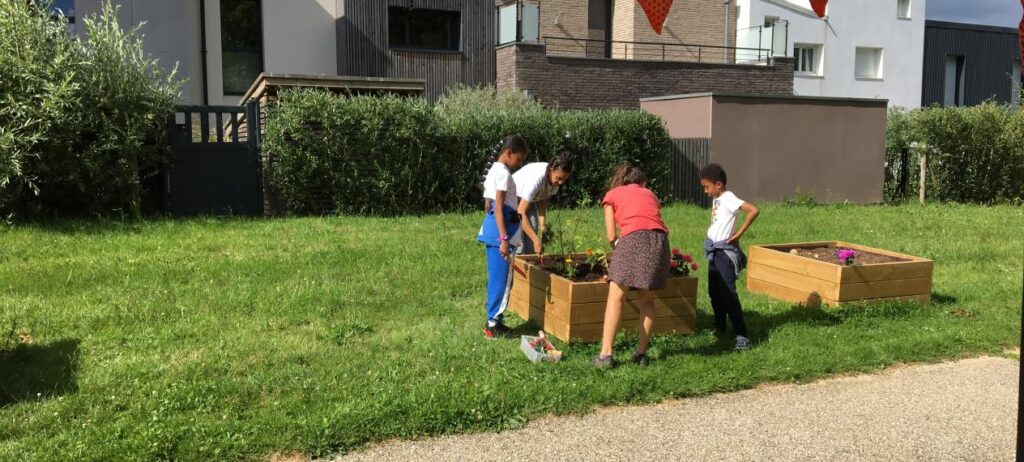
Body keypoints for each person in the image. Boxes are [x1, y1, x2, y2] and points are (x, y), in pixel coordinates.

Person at [593, 164, 670, 368]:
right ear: (642, 183)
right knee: (647, 300)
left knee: (616, 297)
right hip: (659, 241)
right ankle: (641, 355)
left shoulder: (612, 195)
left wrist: (620, 247)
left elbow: (611, 236)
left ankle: (605, 355)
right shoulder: (650, 194)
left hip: (633, 239)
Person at [699, 163, 759, 352]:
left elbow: (753, 210)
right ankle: (720, 326)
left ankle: (742, 335)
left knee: (729, 294)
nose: (705, 191)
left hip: (724, 253)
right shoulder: (718, 198)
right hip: (714, 253)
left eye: (706, 187)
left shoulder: (728, 197)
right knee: (714, 292)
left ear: (718, 184)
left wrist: (739, 234)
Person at [477, 135, 530, 339]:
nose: (519, 164)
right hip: (500, 236)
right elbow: (498, 208)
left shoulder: (494, 171)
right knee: (503, 281)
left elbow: (488, 204)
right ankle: (493, 325)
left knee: (496, 278)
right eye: (519, 159)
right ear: (509, 153)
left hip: (491, 233)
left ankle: (492, 321)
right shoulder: (503, 174)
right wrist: (504, 239)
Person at [513, 151, 575, 255]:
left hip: (528, 201)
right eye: (559, 178)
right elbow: (520, 212)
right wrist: (536, 240)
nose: (561, 183)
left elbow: (543, 198)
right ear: (551, 170)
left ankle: (529, 268)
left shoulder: (555, 181)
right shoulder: (537, 177)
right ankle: (513, 269)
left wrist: (542, 224)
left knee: (532, 238)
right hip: (511, 199)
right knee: (520, 244)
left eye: (564, 179)